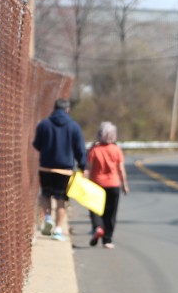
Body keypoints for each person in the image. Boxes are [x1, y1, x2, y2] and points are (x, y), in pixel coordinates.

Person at [32, 98, 86, 242]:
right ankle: (57, 230)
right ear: (68, 109)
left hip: (46, 167)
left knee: (45, 195)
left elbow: (37, 144)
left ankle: (48, 217)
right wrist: (82, 166)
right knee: (61, 200)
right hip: (65, 170)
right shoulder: (74, 126)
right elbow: (80, 149)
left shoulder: (44, 124)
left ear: (54, 108)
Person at [86, 121, 128, 249]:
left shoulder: (94, 150)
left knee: (95, 209)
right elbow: (121, 169)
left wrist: (83, 181)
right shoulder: (117, 150)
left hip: (96, 184)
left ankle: (98, 227)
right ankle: (107, 240)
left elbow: (88, 168)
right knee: (110, 213)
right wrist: (124, 184)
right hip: (113, 185)